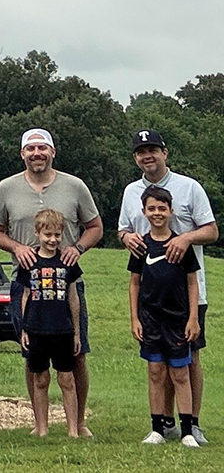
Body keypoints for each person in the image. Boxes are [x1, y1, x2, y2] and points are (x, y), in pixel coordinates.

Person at [0, 127, 102, 438]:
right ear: (22, 153)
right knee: (32, 352)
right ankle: (40, 424)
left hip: (67, 282)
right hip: (26, 282)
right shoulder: (6, 188)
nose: (36, 154)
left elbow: (95, 227)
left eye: (42, 148)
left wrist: (77, 248)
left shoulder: (74, 186)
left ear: (53, 152)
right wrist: (16, 247)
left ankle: (77, 423)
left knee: (76, 353)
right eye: (30, 149)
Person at [118, 129, 218, 444]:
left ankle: (194, 424)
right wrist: (125, 237)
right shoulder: (131, 191)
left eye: (153, 150)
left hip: (187, 291)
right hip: (151, 292)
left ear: (165, 152)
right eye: (141, 152)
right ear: (136, 158)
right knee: (157, 364)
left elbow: (212, 231)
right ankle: (163, 423)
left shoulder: (189, 187)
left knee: (189, 358)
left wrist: (185, 237)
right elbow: (123, 229)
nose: (147, 156)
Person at [127, 186, 200, 448]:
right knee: (156, 372)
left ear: (170, 211)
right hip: (150, 320)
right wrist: (134, 319)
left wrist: (193, 318)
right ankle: (157, 428)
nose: (157, 213)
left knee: (180, 374)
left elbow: (193, 283)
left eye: (162, 208)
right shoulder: (140, 246)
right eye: (152, 209)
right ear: (144, 211)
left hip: (178, 320)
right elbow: (135, 283)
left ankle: (188, 430)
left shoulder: (182, 245)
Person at [16, 209, 82, 438]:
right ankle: (42, 428)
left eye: (56, 235)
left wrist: (76, 333)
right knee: (40, 379)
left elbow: (74, 298)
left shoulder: (67, 261)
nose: (52, 240)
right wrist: (24, 327)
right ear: (37, 234)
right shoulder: (29, 262)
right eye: (47, 235)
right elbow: (25, 296)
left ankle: (73, 430)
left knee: (67, 379)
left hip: (63, 328)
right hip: (36, 328)